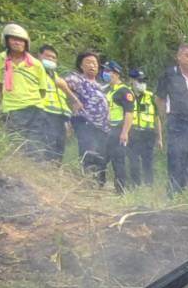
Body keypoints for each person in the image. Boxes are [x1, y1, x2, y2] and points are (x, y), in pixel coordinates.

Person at [0, 23, 53, 158]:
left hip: (35, 108)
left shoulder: (36, 64)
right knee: (15, 144)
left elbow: (43, 90)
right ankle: (17, 171)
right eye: (13, 38)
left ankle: (34, 173)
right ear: (6, 40)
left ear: (26, 43)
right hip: (12, 108)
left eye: (20, 40)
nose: (17, 42)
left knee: (35, 145)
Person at [157, 44, 188, 194]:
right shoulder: (169, 75)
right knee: (176, 159)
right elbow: (159, 99)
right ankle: (174, 196)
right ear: (179, 57)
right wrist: (166, 117)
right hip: (176, 124)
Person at [64, 51, 111, 184]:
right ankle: (87, 182)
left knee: (102, 156)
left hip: (102, 127)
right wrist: (73, 100)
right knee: (89, 152)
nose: (92, 65)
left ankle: (99, 184)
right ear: (81, 65)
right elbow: (61, 83)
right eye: (88, 62)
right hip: (85, 122)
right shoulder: (77, 79)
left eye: (95, 63)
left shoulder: (100, 86)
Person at [36, 45, 77, 164]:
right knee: (46, 147)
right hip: (45, 114)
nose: (51, 60)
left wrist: (67, 121)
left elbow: (62, 101)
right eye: (47, 56)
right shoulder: (37, 73)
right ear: (39, 56)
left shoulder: (57, 78)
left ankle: (54, 173)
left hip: (60, 117)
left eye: (54, 58)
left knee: (59, 150)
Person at [102, 61, 137, 194]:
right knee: (102, 158)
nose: (105, 73)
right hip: (108, 130)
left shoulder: (125, 91)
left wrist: (125, 133)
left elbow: (129, 113)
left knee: (118, 160)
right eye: (104, 70)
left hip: (119, 129)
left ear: (116, 73)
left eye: (108, 71)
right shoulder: (108, 90)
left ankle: (121, 190)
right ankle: (100, 184)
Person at [127, 68, 161, 188]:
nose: (142, 83)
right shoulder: (126, 95)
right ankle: (135, 185)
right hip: (132, 133)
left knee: (148, 161)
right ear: (131, 81)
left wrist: (159, 138)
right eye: (139, 80)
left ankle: (149, 186)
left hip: (148, 134)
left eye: (143, 81)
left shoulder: (150, 97)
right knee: (133, 161)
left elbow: (156, 118)